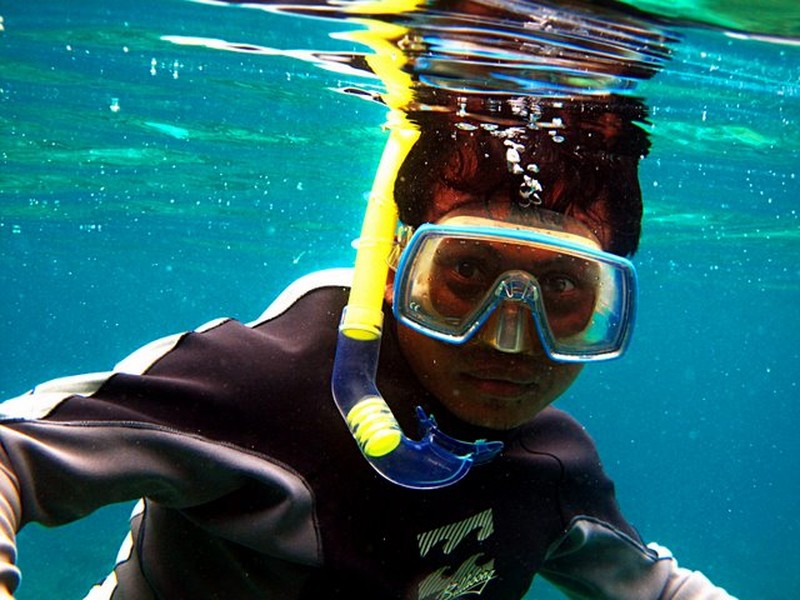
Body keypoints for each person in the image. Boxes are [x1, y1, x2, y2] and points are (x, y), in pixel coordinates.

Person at [0, 93, 737, 598]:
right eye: (467, 273)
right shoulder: (261, 386)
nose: (509, 339)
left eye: (564, 289)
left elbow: (659, 587)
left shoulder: (553, 468)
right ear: (392, 272)